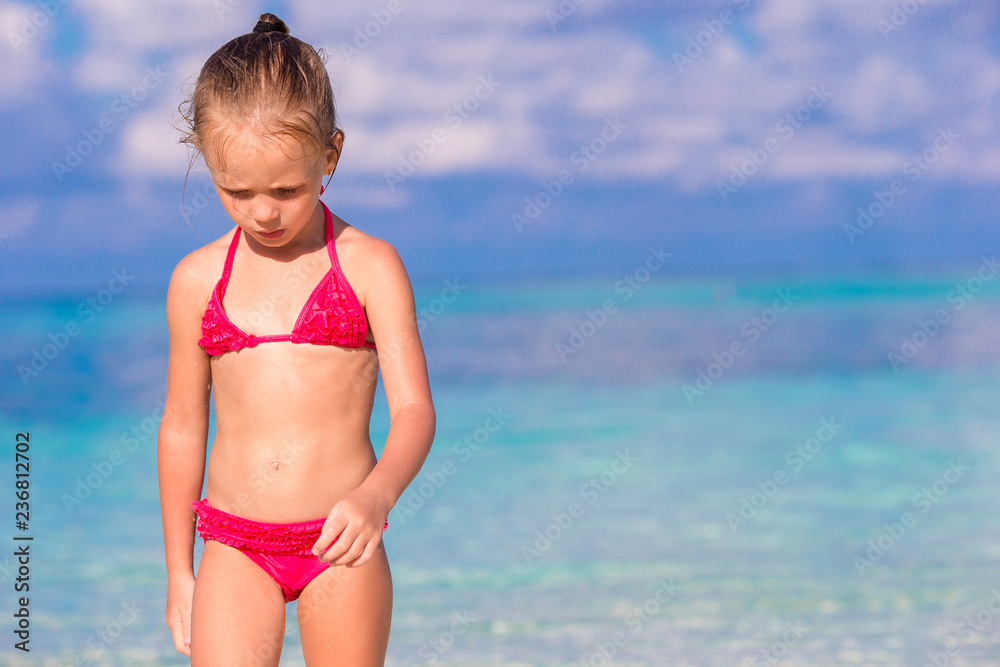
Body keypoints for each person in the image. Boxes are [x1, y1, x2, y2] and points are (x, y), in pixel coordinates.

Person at [157, 13, 435, 665]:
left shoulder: (370, 266)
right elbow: (180, 426)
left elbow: (416, 411)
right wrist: (178, 568)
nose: (263, 211)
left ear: (330, 154)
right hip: (233, 543)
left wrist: (376, 495)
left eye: (286, 189)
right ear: (206, 162)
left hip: (340, 541)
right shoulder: (197, 280)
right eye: (236, 190)